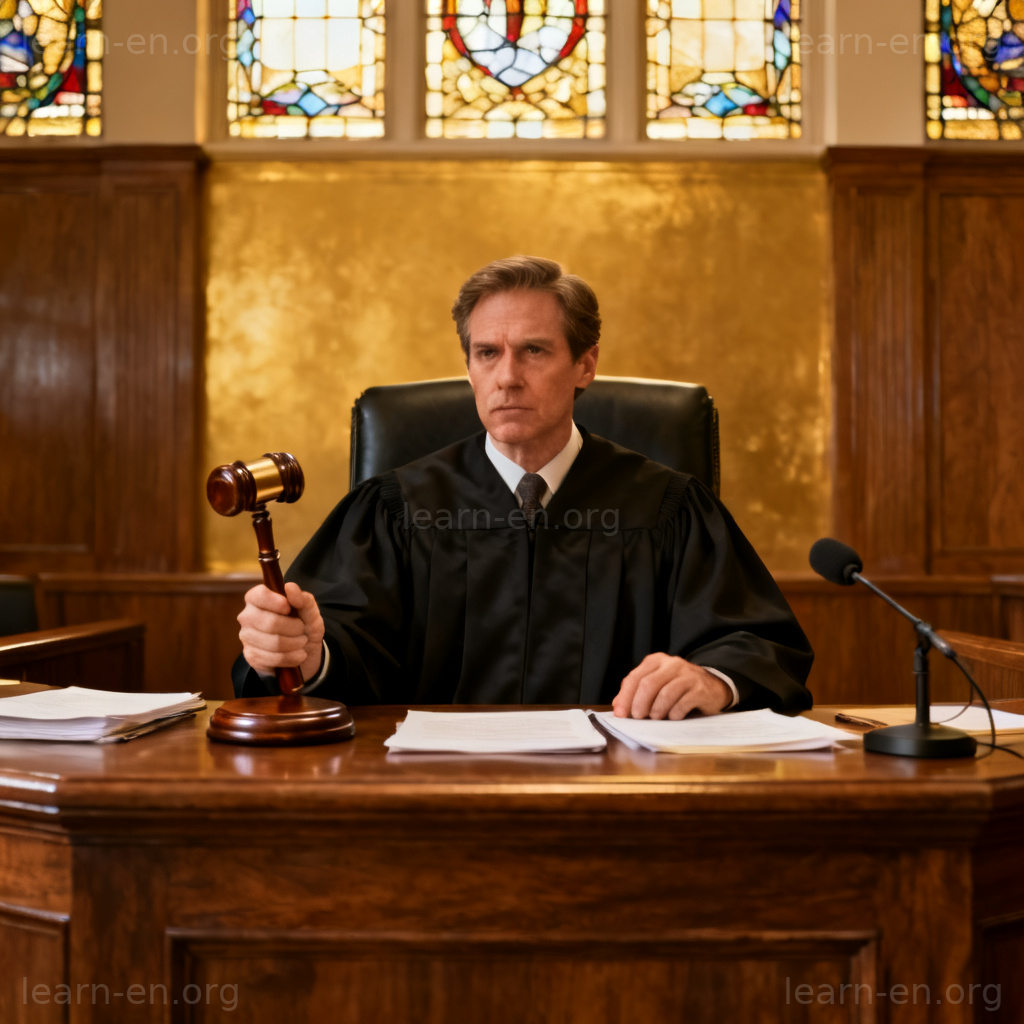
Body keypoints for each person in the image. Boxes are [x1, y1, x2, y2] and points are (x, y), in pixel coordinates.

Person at [234, 256, 813, 718]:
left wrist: (711, 679)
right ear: (469, 368)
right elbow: (341, 647)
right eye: (487, 353)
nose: (507, 376)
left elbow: (758, 642)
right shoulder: (397, 508)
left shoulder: (665, 508)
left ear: (585, 366)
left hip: (621, 795)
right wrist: (309, 656)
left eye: (534, 350)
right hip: (428, 798)